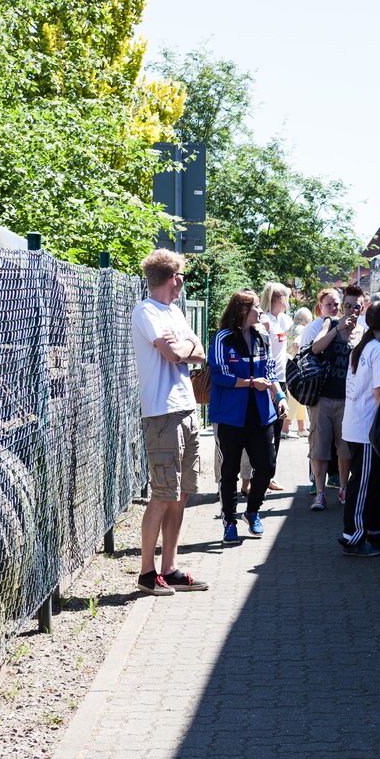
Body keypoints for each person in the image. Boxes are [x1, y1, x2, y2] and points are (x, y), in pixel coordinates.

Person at [129, 249, 209, 596]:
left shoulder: (174, 311)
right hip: (162, 413)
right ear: (172, 277)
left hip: (187, 410)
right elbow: (174, 354)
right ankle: (147, 573)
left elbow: (200, 351)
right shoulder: (147, 311)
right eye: (181, 277)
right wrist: (185, 348)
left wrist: (187, 346)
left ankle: (170, 567)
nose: (182, 283)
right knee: (163, 493)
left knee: (182, 492)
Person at [209, 289, 286, 544]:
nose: (261, 312)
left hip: (261, 414)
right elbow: (219, 376)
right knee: (229, 470)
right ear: (242, 310)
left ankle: (252, 511)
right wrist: (251, 383)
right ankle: (229, 520)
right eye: (256, 307)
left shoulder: (263, 336)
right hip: (230, 416)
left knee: (266, 466)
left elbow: (271, 372)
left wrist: (280, 397)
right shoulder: (223, 338)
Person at [340, 301, 380, 557]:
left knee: (374, 482)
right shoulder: (379, 352)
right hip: (366, 428)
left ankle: (376, 531)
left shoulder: (361, 348)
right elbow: (379, 393)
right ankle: (353, 536)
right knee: (362, 484)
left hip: (358, 424)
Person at [299, 285, 360, 510]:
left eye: (356, 306)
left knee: (344, 449)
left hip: (348, 400)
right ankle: (320, 493)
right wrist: (337, 329)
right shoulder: (330, 323)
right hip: (323, 398)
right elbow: (316, 348)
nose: (351, 310)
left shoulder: (361, 331)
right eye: (347, 306)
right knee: (320, 448)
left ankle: (343, 489)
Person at [260, 282, 295, 454]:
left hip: (282, 379)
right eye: (287, 297)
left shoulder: (280, 320)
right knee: (269, 431)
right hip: (271, 382)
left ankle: (269, 475)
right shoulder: (265, 321)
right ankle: (263, 475)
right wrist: (272, 386)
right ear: (281, 299)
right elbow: (263, 355)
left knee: (278, 428)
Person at [286, 306, 312, 437]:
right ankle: (285, 427)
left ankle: (301, 428)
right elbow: (299, 345)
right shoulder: (304, 329)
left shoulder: (290, 328)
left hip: (288, 362)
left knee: (298, 398)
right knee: (295, 398)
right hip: (297, 364)